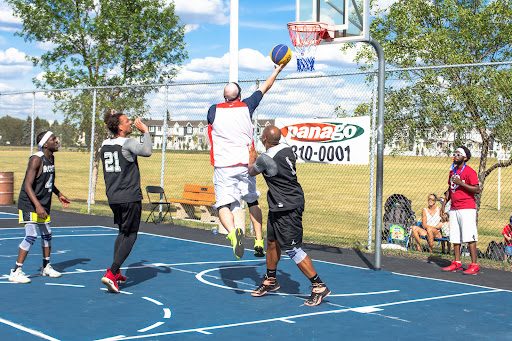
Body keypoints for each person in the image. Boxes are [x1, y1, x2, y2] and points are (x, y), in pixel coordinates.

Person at [208, 64, 286, 259]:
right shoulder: (247, 106)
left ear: (224, 97)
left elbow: (213, 125)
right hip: (246, 163)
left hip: (224, 165)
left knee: (223, 205)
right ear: (240, 96)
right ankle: (259, 240)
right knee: (252, 200)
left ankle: (233, 232)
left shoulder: (213, 110)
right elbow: (266, 86)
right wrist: (278, 69)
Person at [248, 125, 330, 306]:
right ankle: (270, 280)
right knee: (271, 242)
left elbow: (251, 171)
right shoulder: (287, 149)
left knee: (293, 249)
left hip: (288, 206)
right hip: (280, 204)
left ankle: (319, 285)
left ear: (264, 140)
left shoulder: (265, 157)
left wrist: (251, 155)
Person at [100, 110, 152, 293]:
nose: (131, 123)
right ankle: (111, 273)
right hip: (129, 196)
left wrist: (110, 116)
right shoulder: (128, 143)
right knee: (131, 235)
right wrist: (145, 131)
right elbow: (147, 151)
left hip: (113, 197)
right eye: (127, 121)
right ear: (119, 127)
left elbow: (111, 126)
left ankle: (117, 272)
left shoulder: (105, 144)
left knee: (122, 231)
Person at [9, 131, 70, 283]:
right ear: (45, 144)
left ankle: (46, 267)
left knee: (47, 233)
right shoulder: (36, 159)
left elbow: (47, 180)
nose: (57, 141)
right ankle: (16, 271)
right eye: (53, 139)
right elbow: (27, 185)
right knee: (31, 235)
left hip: (43, 203)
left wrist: (58, 193)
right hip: (30, 204)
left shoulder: (51, 158)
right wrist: (37, 206)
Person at [441, 146, 481, 275]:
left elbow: (477, 189)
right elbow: (450, 188)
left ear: (465, 158)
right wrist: (444, 203)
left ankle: (474, 264)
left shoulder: (469, 172)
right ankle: (457, 262)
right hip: (454, 207)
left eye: (458, 155)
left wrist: (461, 183)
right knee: (455, 236)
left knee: (469, 236)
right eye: (455, 154)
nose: (455, 156)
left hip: (467, 208)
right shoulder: (452, 171)